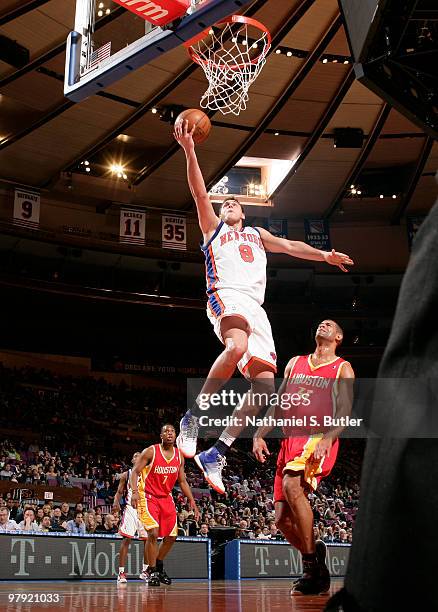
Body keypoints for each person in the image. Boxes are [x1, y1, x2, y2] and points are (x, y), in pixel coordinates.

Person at [174, 120, 354, 494]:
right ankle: (192, 418)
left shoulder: (257, 235)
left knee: (265, 386)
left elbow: (291, 247)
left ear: (244, 211)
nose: (229, 204)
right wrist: (190, 151)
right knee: (235, 346)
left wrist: (324, 255)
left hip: (257, 308)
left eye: (234, 202)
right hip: (226, 295)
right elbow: (198, 193)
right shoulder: (214, 229)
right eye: (225, 203)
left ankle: (217, 451)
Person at [253, 320, 355, 595]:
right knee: (281, 520)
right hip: (289, 440)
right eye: (321, 323)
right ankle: (317, 558)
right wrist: (259, 433)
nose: (323, 324)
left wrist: (328, 438)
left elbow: (345, 411)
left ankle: (310, 567)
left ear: (339, 337)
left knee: (292, 486)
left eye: (330, 325)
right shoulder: (296, 362)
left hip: (317, 435)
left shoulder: (342, 367)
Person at [131, 424, 200, 587]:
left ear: (175, 435)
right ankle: (152, 570)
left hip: (166, 497)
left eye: (172, 431)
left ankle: (159, 566)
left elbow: (182, 481)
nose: (169, 433)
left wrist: (192, 500)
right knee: (153, 533)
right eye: (166, 431)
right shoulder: (151, 451)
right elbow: (135, 471)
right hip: (148, 496)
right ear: (161, 435)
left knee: (171, 536)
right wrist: (134, 491)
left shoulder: (179, 456)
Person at [113, 452, 149, 584]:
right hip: (131, 510)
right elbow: (119, 491)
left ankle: (145, 571)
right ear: (132, 460)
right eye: (135, 456)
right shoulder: (126, 474)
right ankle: (121, 573)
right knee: (127, 539)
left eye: (140, 455)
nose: (138, 457)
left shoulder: (148, 473)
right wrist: (116, 502)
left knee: (147, 541)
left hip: (145, 510)